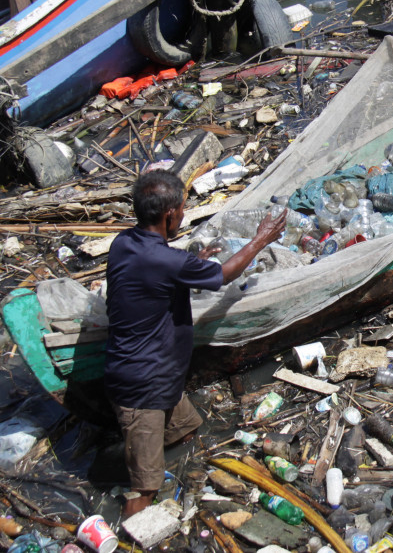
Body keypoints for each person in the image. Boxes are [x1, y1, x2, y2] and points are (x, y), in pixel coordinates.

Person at [105, 169, 286, 516]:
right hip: (143, 388)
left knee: (189, 432)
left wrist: (192, 267)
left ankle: (188, 478)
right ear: (169, 214)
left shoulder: (124, 243)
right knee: (145, 487)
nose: (184, 215)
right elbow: (224, 275)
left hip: (162, 378)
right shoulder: (166, 259)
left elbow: (152, 279)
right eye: (183, 210)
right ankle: (128, 535)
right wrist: (261, 239)